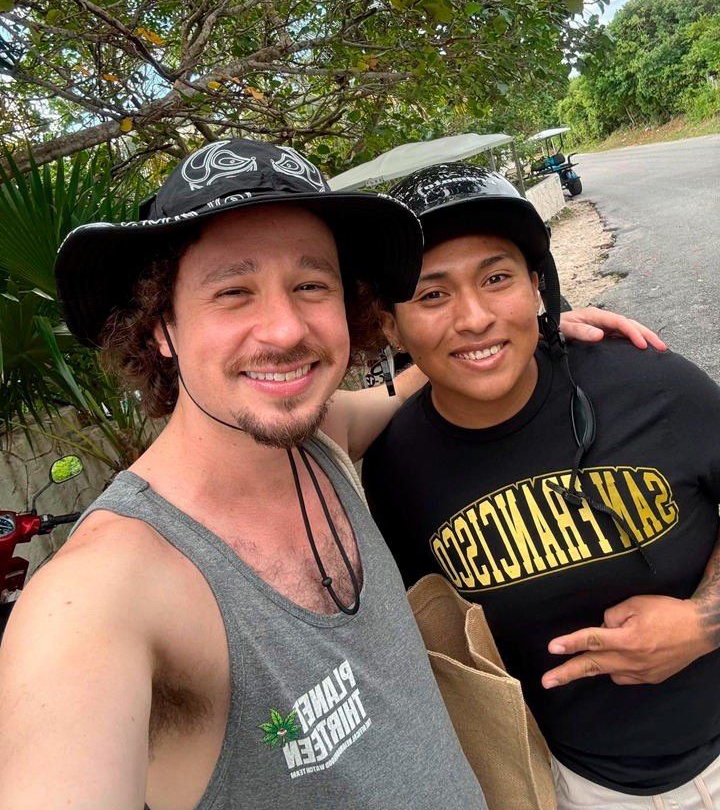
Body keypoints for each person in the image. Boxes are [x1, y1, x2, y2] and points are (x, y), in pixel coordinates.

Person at [0, 138, 659, 810]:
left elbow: (413, 385)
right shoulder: (97, 598)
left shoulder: (325, 442)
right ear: (161, 327)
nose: (285, 329)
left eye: (311, 285)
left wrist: (519, 339)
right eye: (233, 291)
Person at [362, 162, 720, 810]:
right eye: (432, 295)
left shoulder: (652, 385)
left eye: (496, 279)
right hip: (576, 787)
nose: (473, 317)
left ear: (535, 286)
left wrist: (704, 623)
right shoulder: (395, 472)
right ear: (390, 326)